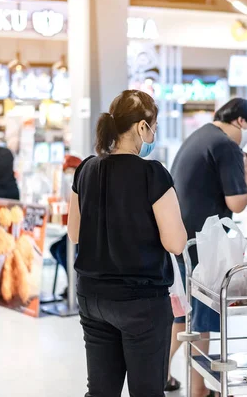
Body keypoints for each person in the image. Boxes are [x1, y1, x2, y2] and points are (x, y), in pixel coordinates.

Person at [67, 90, 187, 397]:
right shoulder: (152, 173)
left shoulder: (86, 168)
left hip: (92, 296)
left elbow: (74, 234)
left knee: (101, 391)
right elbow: (175, 243)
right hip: (141, 301)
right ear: (142, 127)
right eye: (154, 126)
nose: (154, 133)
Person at [168, 97, 247, 396]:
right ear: (242, 123)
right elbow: (237, 202)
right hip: (205, 248)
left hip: (182, 242)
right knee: (202, 321)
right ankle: (199, 391)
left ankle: (158, 376)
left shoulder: (198, 136)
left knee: (183, 318)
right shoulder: (226, 146)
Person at [49, 155, 82, 297]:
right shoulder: (73, 187)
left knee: (62, 250)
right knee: (55, 248)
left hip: (89, 234)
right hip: (79, 231)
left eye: (70, 171)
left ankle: (76, 285)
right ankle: (74, 283)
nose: (68, 176)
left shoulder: (84, 184)